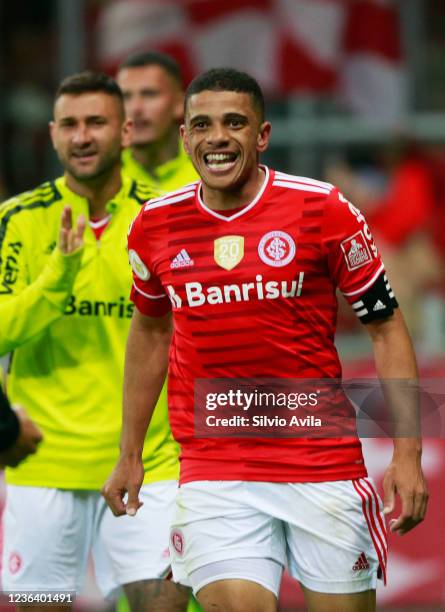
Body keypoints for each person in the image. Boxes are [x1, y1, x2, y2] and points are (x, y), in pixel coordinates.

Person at [103, 68, 428, 612]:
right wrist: (129, 453)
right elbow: (152, 329)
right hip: (215, 464)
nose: (217, 137)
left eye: (235, 122)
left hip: (320, 460)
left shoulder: (324, 209)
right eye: (202, 124)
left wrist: (407, 452)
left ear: (263, 134)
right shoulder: (155, 225)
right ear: (185, 138)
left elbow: (386, 326)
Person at [0, 71, 188, 612]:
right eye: (70, 125)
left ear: (126, 132)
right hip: (45, 460)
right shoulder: (18, 220)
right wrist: (57, 279)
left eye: (96, 123)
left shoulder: (166, 217)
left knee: (164, 607)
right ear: (53, 134)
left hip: (150, 460)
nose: (82, 137)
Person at [117, 50, 198, 192]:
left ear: (179, 103)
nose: (136, 108)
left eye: (149, 94)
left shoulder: (208, 170)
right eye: (126, 97)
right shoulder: (104, 177)